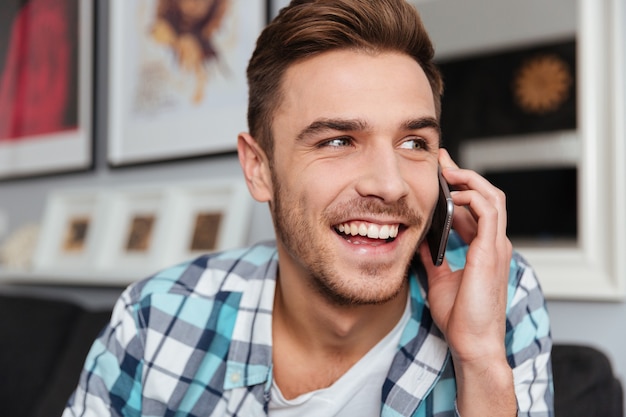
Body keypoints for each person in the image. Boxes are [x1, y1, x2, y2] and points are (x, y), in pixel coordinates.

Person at [63, 0, 553, 416]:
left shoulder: (498, 297)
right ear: (259, 168)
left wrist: (482, 360)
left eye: (414, 142)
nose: (390, 184)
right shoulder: (156, 319)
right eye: (339, 140)